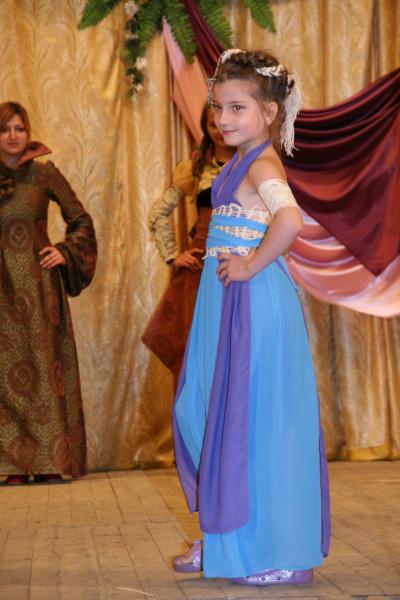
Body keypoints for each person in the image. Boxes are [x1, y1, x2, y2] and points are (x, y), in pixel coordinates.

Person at [172, 50, 330, 585]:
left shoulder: (262, 163)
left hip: (253, 305)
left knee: (255, 423)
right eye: (219, 108)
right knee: (202, 409)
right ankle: (225, 532)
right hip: (224, 303)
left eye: (237, 108)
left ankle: (274, 550)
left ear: (269, 112)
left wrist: (250, 264)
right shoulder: (238, 160)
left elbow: (290, 220)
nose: (223, 118)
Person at [0, 101, 97, 484]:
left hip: (39, 289)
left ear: (28, 133)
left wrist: (65, 251)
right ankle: (12, 465)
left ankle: (50, 461)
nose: (13, 136)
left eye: (19, 128)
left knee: (43, 371)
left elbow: (80, 220)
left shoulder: (43, 174)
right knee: (5, 376)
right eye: (5, 129)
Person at [142, 105, 234, 377]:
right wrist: (173, 256)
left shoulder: (253, 165)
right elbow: (157, 214)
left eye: (226, 121)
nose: (220, 130)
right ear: (205, 127)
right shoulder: (194, 170)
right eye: (213, 124)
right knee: (200, 353)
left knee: (236, 350)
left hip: (239, 268)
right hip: (201, 271)